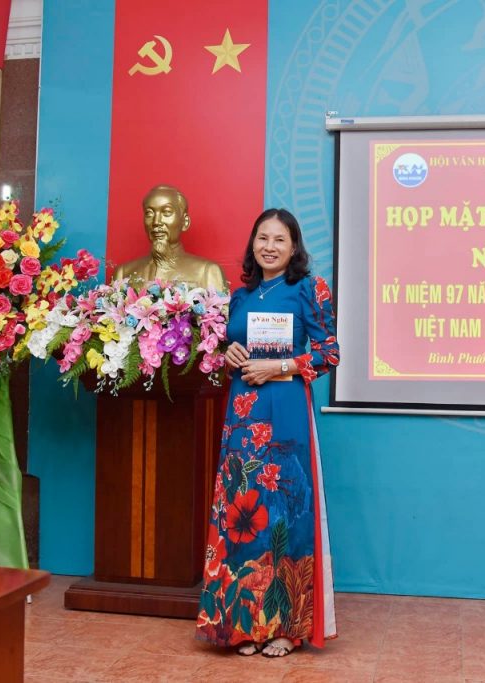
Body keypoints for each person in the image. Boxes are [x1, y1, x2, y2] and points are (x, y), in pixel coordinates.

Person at [195, 208, 339, 658]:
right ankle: (244, 626)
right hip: (243, 414)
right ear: (252, 243)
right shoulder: (240, 296)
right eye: (262, 238)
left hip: (287, 411)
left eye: (279, 239)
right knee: (242, 513)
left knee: (284, 514)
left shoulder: (309, 289)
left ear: (294, 247)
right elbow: (228, 352)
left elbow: (329, 353)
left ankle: (285, 628)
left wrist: (278, 367)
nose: (269, 247)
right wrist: (230, 355)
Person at [112, 184, 228, 292]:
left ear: (185, 222)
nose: (156, 222)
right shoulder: (123, 273)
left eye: (166, 212)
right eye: (149, 213)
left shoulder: (207, 272)